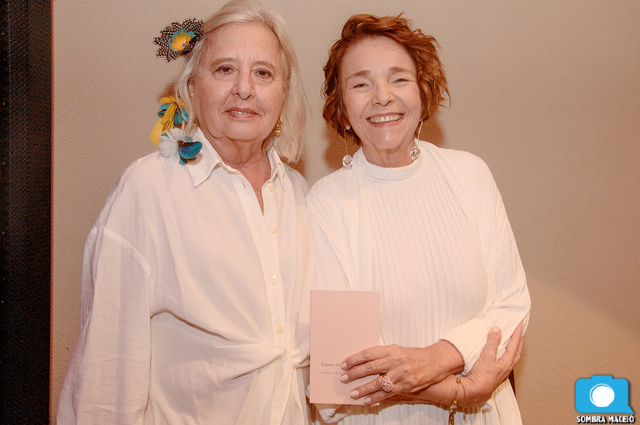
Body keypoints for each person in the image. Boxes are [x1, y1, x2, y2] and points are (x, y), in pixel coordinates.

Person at [57, 1, 313, 424]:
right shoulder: (148, 190)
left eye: (263, 73)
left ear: (283, 91)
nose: (244, 88)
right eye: (225, 69)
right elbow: (107, 369)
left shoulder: (300, 197)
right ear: (192, 86)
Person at [306, 14, 531, 424]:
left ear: (423, 94)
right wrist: (462, 388)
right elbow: (340, 375)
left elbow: (512, 306)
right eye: (361, 84)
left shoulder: (470, 174)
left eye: (399, 79)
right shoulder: (326, 203)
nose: (382, 97)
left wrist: (438, 356)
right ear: (341, 108)